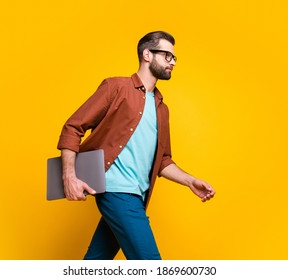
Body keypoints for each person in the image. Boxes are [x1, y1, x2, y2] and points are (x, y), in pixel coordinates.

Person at [57, 31, 215, 260]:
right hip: (117, 190)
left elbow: (162, 160)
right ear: (147, 54)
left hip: (137, 197)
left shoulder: (162, 108)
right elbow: (73, 128)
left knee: (94, 263)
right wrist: (69, 176)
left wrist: (190, 181)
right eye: (167, 56)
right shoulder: (116, 88)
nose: (172, 62)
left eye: (174, 58)